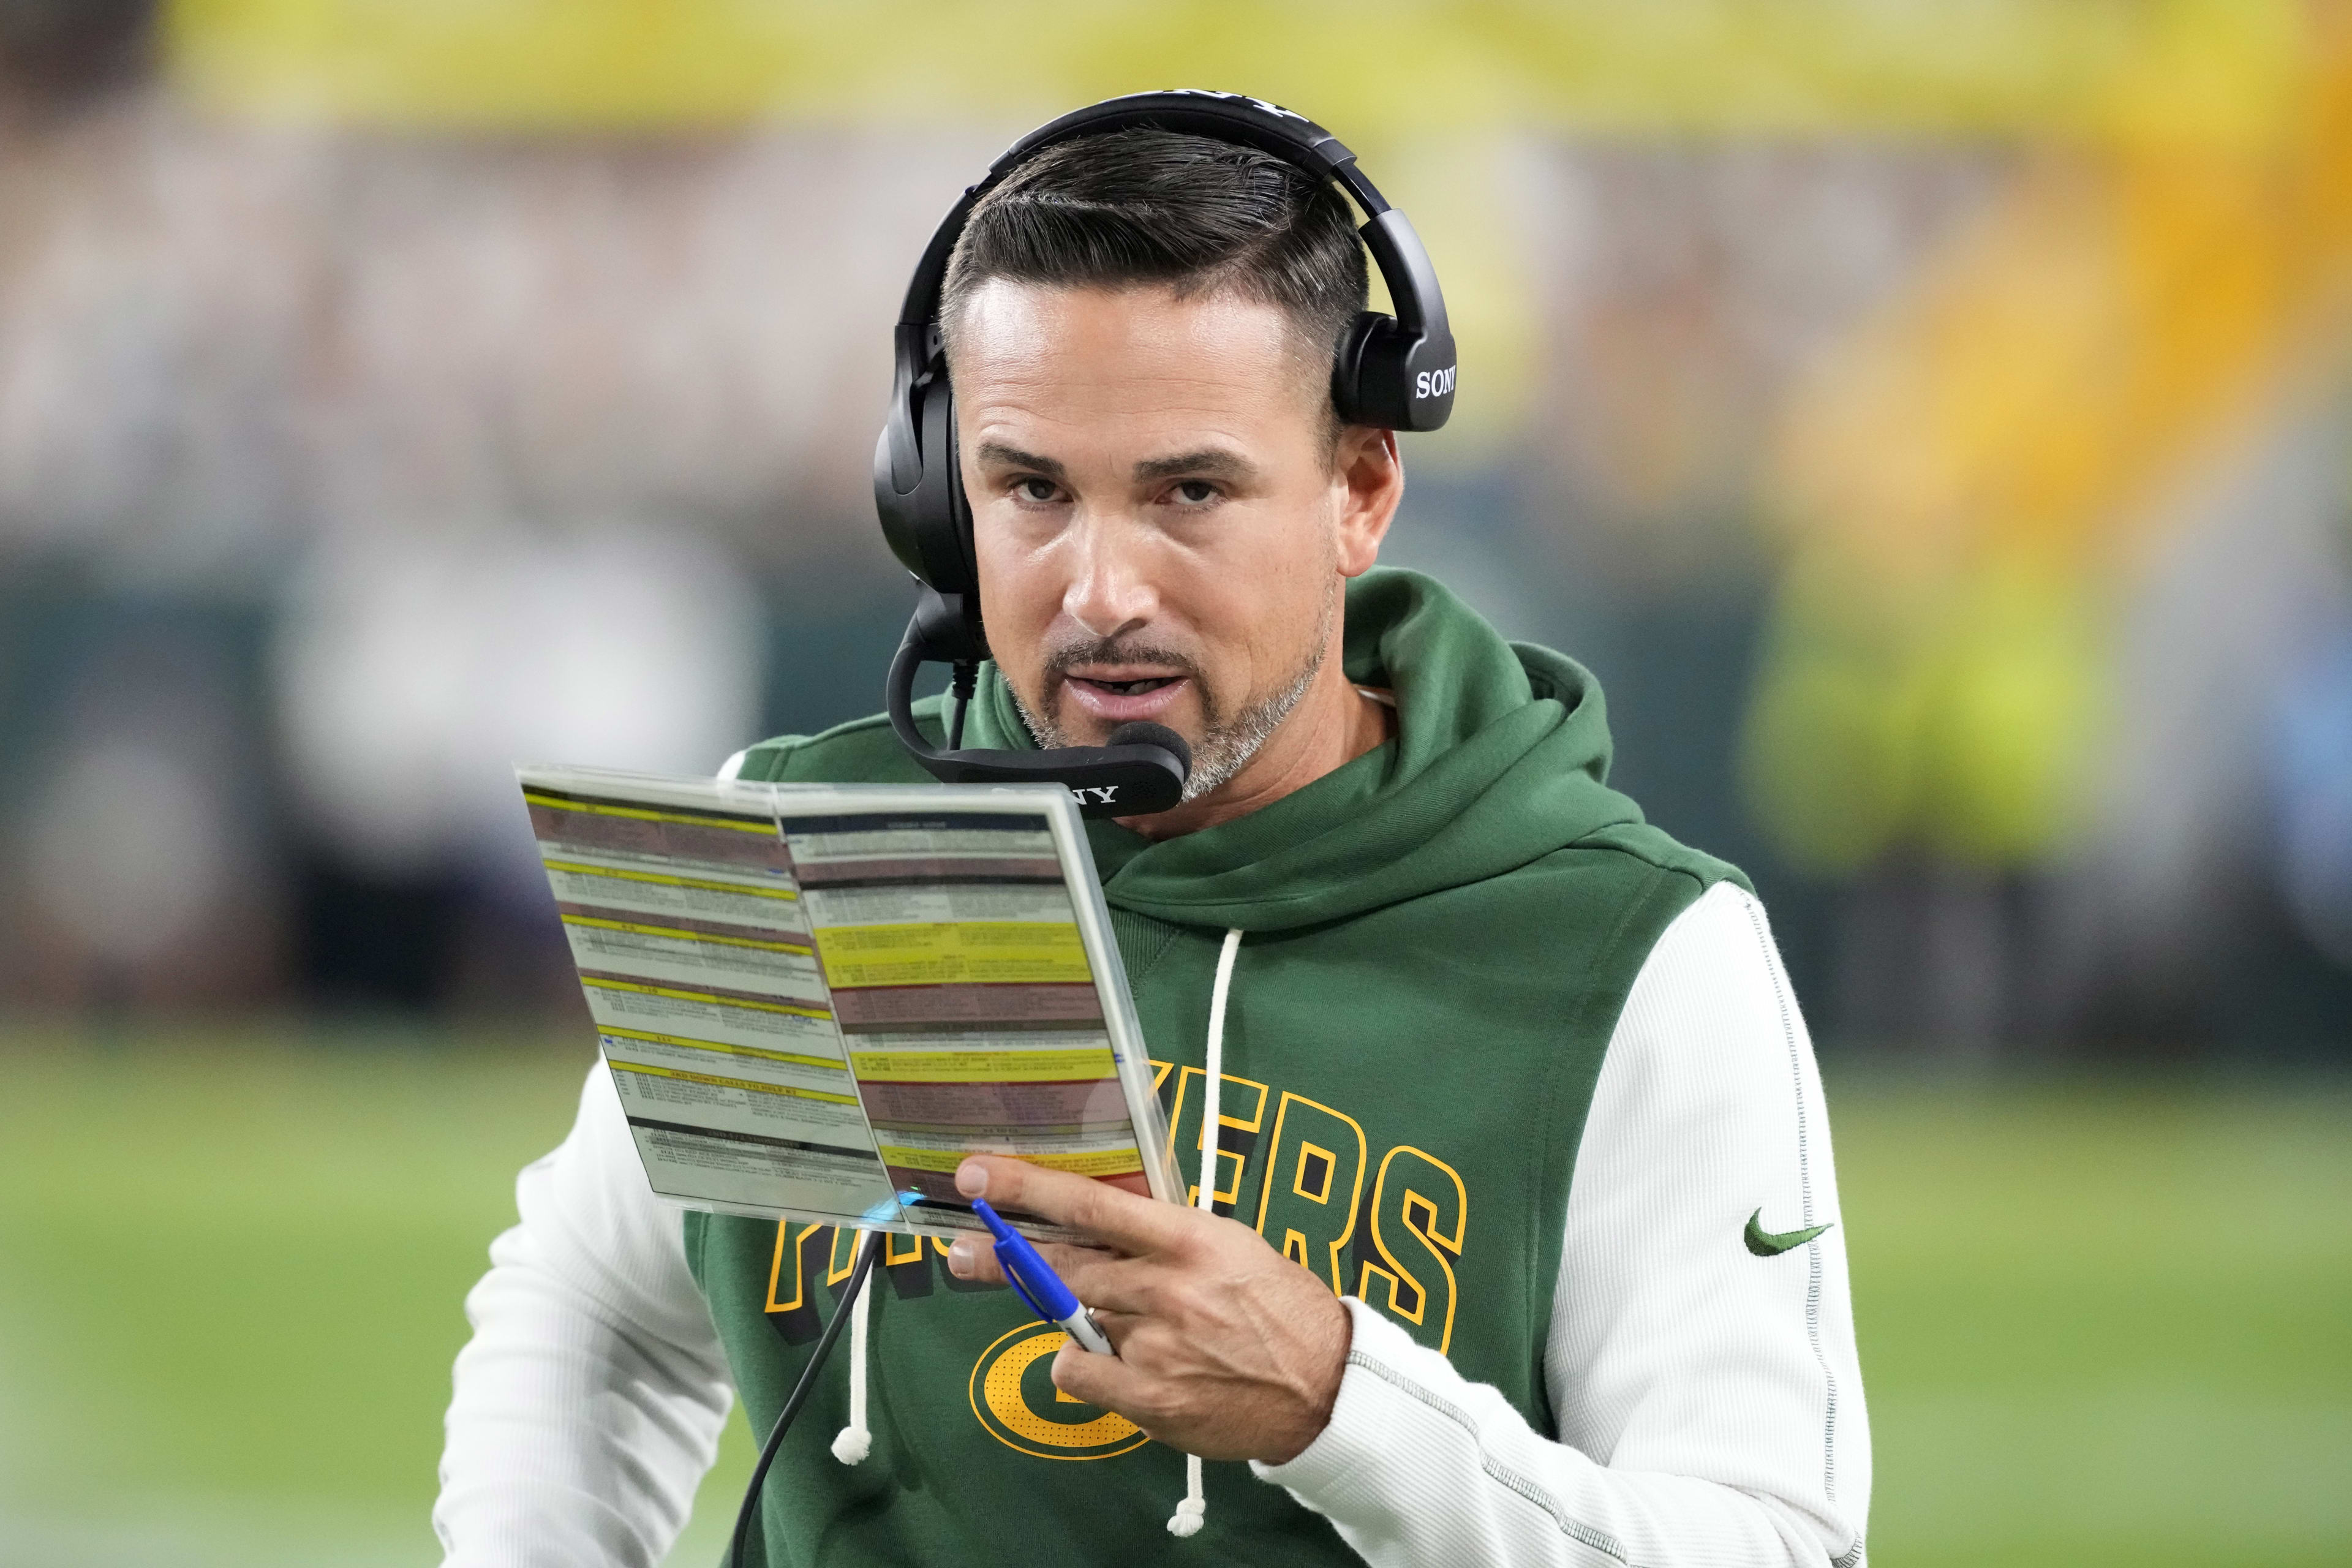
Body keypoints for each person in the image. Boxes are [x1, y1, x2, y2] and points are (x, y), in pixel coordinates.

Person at [434, 99, 1869, 1568]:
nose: (1102, 587)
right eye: (1031, 488)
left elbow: (1773, 1545)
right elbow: (593, 1304)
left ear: (1360, 486)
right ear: (934, 495)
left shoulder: (1637, 957)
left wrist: (1338, 1400)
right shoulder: (809, 834)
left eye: (1190, 491)